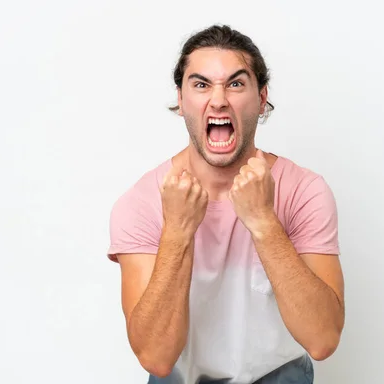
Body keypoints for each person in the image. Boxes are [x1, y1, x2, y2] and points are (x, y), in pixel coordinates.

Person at [107, 25, 345, 384]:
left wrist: (264, 221)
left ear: (262, 98)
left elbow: (323, 340)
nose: (218, 100)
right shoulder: (141, 202)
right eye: (201, 85)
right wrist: (177, 232)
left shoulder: (304, 191)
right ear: (181, 99)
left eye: (235, 84)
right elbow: (156, 358)